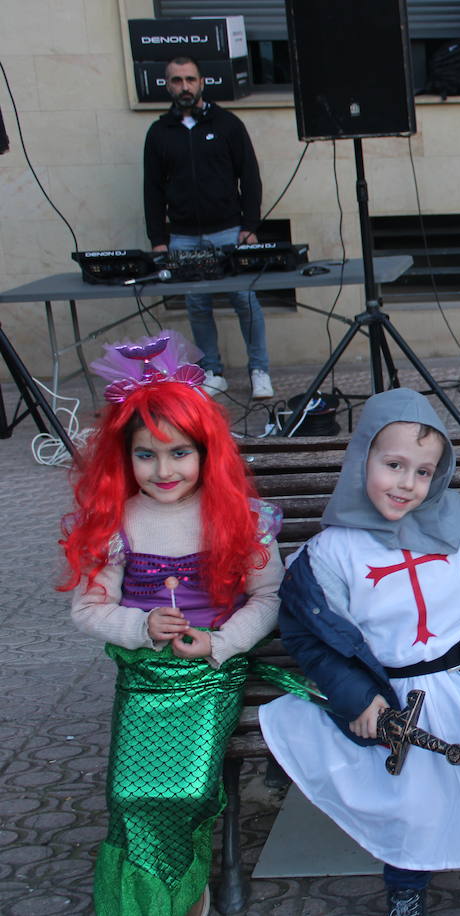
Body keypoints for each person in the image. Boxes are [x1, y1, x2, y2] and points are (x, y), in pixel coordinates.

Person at [257, 389, 460, 916]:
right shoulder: (330, 553)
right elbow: (310, 638)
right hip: (391, 692)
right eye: (393, 464)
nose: (406, 484)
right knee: (412, 793)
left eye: (424, 472)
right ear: (361, 459)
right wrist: (356, 699)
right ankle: (405, 891)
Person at [59, 330, 284, 916]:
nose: (163, 469)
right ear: (123, 455)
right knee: (131, 797)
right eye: (146, 453)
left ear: (207, 453)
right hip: (142, 680)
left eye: (180, 452)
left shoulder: (238, 518)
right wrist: (137, 627)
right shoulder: (117, 522)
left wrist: (221, 641)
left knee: (184, 792)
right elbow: (86, 609)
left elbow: (268, 598)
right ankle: (140, 904)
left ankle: (189, 895)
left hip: (211, 675)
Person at [143, 55, 273, 400]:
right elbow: (152, 188)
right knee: (197, 305)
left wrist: (250, 225)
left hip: (229, 231)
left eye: (189, 79)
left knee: (245, 300)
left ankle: (259, 369)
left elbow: (250, 177)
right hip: (183, 236)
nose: (183, 86)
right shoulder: (159, 132)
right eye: (176, 81)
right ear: (167, 86)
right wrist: (158, 239)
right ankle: (212, 371)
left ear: (202, 82)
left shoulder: (228, 123)